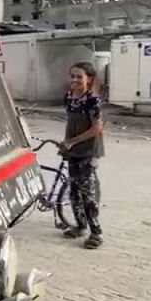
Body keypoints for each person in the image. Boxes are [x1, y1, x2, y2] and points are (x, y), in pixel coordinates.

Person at [61, 62, 105, 250]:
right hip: (73, 149)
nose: (75, 80)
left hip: (88, 150)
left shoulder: (92, 100)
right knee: (73, 191)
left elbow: (97, 128)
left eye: (79, 76)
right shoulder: (69, 97)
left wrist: (74, 140)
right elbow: (71, 123)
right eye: (72, 76)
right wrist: (66, 143)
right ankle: (80, 226)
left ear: (89, 79)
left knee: (88, 194)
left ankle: (96, 233)